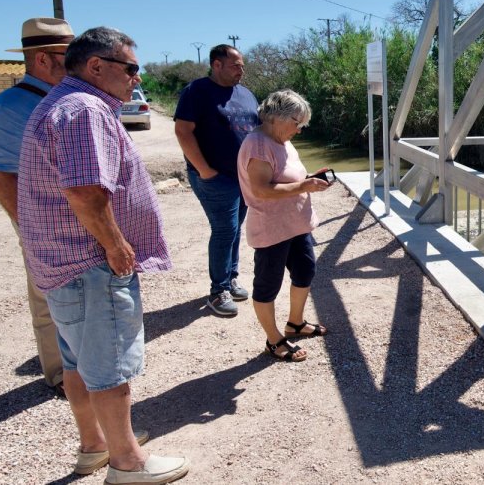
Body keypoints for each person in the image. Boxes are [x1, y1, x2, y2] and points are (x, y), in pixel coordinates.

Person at [19, 27, 189, 482]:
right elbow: (85, 192)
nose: (138, 77)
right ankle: (127, 463)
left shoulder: (64, 102)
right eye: (131, 68)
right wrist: (116, 245)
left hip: (65, 265)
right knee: (110, 364)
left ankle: (95, 445)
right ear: (97, 66)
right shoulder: (84, 109)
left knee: (78, 360)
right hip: (89, 263)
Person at [0, 17, 73, 397]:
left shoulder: (66, 100)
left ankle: (86, 367)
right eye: (70, 57)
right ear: (42, 60)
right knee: (48, 296)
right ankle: (60, 372)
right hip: (43, 223)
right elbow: (1, 175)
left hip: (79, 218)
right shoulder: (6, 109)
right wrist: (31, 229)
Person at [237, 90, 333, 362]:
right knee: (268, 284)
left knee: (305, 271)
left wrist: (310, 179)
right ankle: (274, 338)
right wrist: (303, 186)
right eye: (298, 123)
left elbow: (290, 175)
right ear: (278, 117)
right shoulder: (258, 144)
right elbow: (261, 190)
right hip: (272, 229)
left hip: (295, 225)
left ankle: (296, 323)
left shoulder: (282, 139)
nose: (300, 130)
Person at [174, 44, 258, 317]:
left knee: (235, 228)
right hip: (215, 176)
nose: (241, 70)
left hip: (243, 175)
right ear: (216, 64)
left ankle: (231, 277)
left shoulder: (245, 94)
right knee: (224, 229)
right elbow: (183, 131)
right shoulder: (196, 91)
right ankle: (218, 290)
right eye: (235, 65)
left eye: (242, 65)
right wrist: (204, 170)